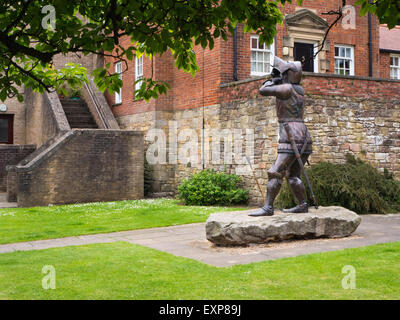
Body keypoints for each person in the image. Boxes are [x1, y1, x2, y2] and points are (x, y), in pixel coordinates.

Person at [249, 56, 312, 217]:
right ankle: (302, 204)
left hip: (291, 133)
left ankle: (268, 207)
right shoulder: (299, 90)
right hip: (303, 134)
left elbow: (263, 90)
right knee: (293, 175)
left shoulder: (287, 89)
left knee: (275, 171)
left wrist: (273, 78)